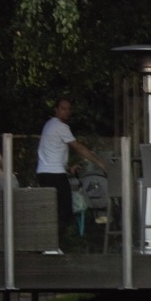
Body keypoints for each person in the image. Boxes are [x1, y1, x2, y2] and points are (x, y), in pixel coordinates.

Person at [36, 97, 107, 231]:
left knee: (51, 210)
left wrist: (68, 169)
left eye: (69, 109)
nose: (67, 112)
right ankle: (56, 240)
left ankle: (50, 240)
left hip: (43, 173)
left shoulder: (48, 125)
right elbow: (78, 147)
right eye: (63, 109)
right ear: (56, 110)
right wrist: (100, 163)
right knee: (65, 211)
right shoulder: (61, 127)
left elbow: (50, 155)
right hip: (55, 175)